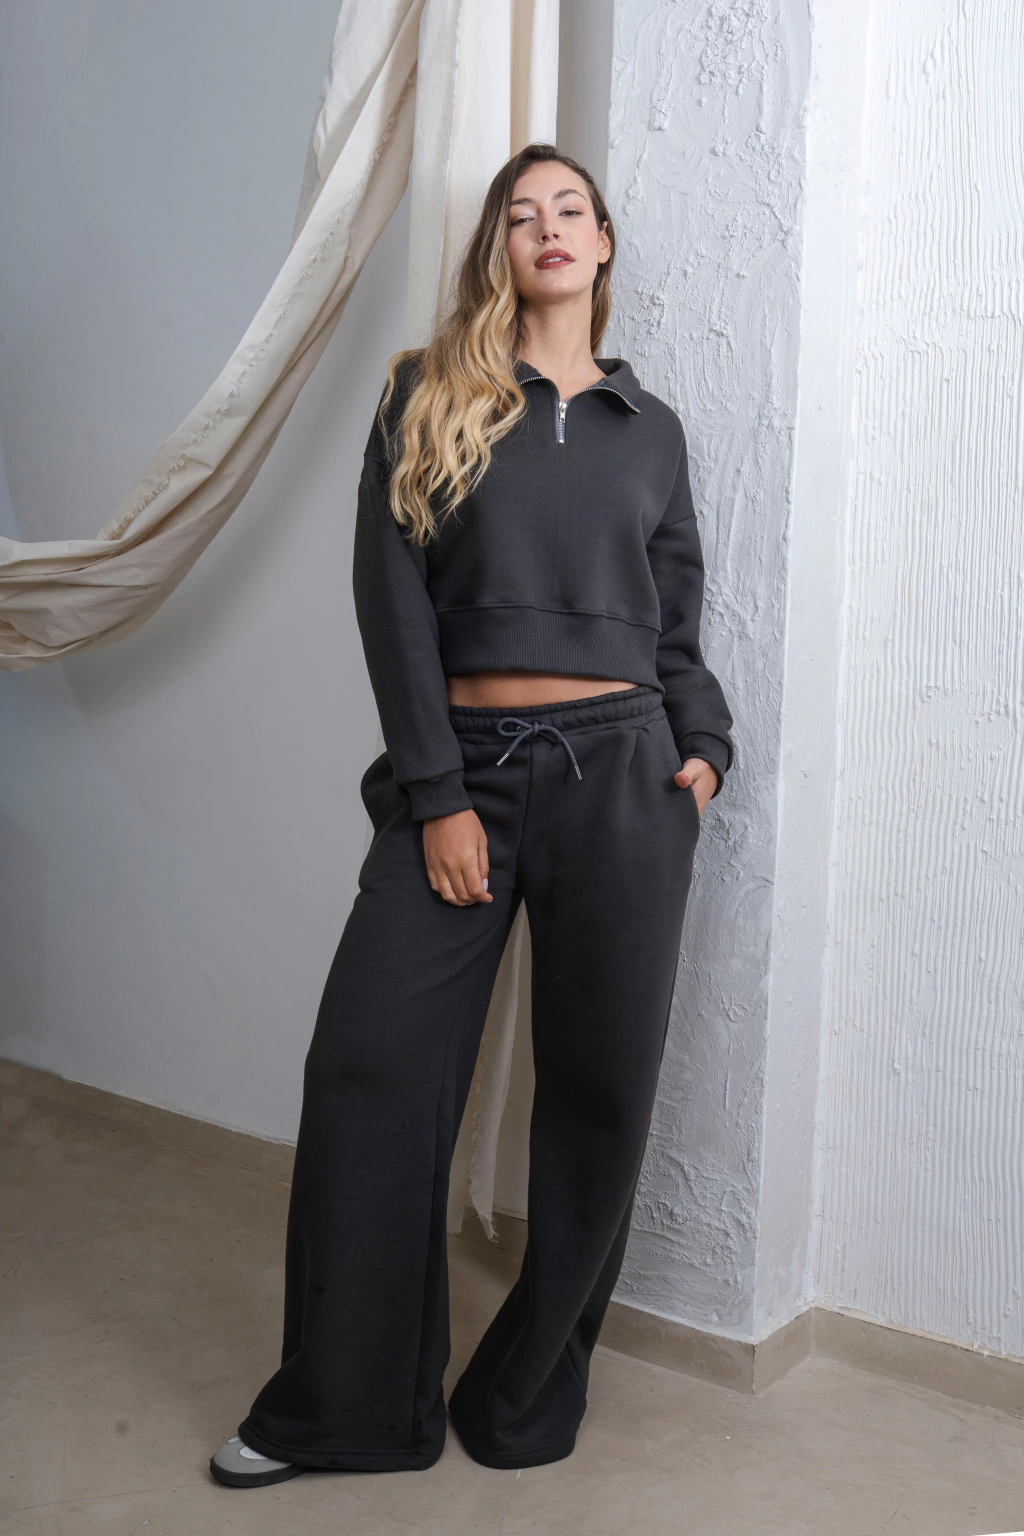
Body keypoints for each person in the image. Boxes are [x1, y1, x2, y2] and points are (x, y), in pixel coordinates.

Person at [209, 141, 733, 1488]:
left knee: (600, 1093)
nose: (547, 227)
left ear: (602, 246)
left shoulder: (652, 431)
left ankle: (526, 1394)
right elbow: (391, 606)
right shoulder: (428, 393)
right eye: (520, 213)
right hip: (470, 776)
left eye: (571, 209)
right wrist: (439, 794)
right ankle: (346, 1408)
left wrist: (704, 751)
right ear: (497, 248)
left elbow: (676, 625)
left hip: (627, 779)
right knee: (369, 1070)